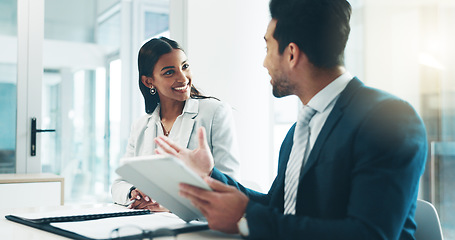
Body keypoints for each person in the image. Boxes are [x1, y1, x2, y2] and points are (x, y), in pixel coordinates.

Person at [154, 0, 428, 239]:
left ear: (292, 54)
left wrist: (246, 218)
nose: (264, 63)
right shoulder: (299, 129)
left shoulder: (389, 119)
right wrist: (209, 175)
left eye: (268, 48)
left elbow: (369, 235)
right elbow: (278, 208)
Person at [111, 37, 240, 211]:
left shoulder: (215, 113)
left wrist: (170, 206)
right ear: (149, 81)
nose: (183, 78)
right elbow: (119, 184)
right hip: (147, 222)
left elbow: (229, 185)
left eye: (185, 66)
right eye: (169, 72)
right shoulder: (141, 126)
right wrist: (133, 192)